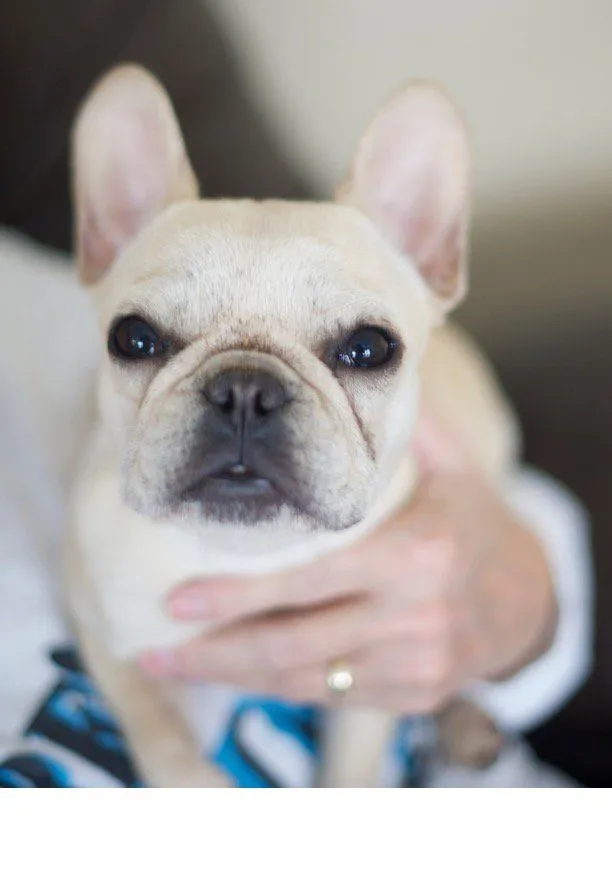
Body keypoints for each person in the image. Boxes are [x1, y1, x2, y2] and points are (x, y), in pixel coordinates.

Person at [0, 0, 592, 787]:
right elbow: (106, 634)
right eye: (145, 342)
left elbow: (498, 571)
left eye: (360, 349)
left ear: (432, 255)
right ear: (103, 241)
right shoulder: (95, 528)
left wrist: (527, 599)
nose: (244, 403)